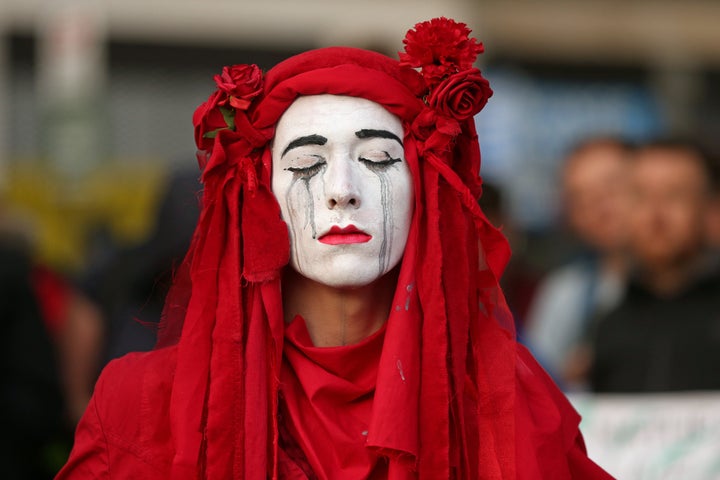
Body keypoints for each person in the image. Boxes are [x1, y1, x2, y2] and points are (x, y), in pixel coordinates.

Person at [57, 18, 611, 479]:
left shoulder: (506, 398)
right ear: (260, 195)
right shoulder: (140, 402)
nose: (343, 189)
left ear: (426, 189)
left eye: (377, 159)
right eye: (304, 164)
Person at [590, 138, 720, 392]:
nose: (656, 214)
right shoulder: (609, 324)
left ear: (708, 208)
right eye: (641, 195)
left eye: (675, 195)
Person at [525, 137, 632, 389]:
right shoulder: (565, 293)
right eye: (581, 198)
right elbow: (538, 391)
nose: (600, 207)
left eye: (612, 187)